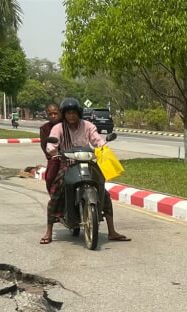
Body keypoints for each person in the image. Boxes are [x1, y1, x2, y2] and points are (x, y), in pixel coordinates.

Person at [40, 97, 129, 245]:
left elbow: (96, 139)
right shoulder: (59, 128)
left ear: (79, 113)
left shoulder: (88, 125)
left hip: (87, 161)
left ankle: (112, 231)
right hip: (67, 163)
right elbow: (53, 140)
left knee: (103, 191)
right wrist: (52, 149)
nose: (71, 116)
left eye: (74, 113)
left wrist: (102, 146)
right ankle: (49, 231)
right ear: (64, 114)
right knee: (57, 190)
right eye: (68, 113)